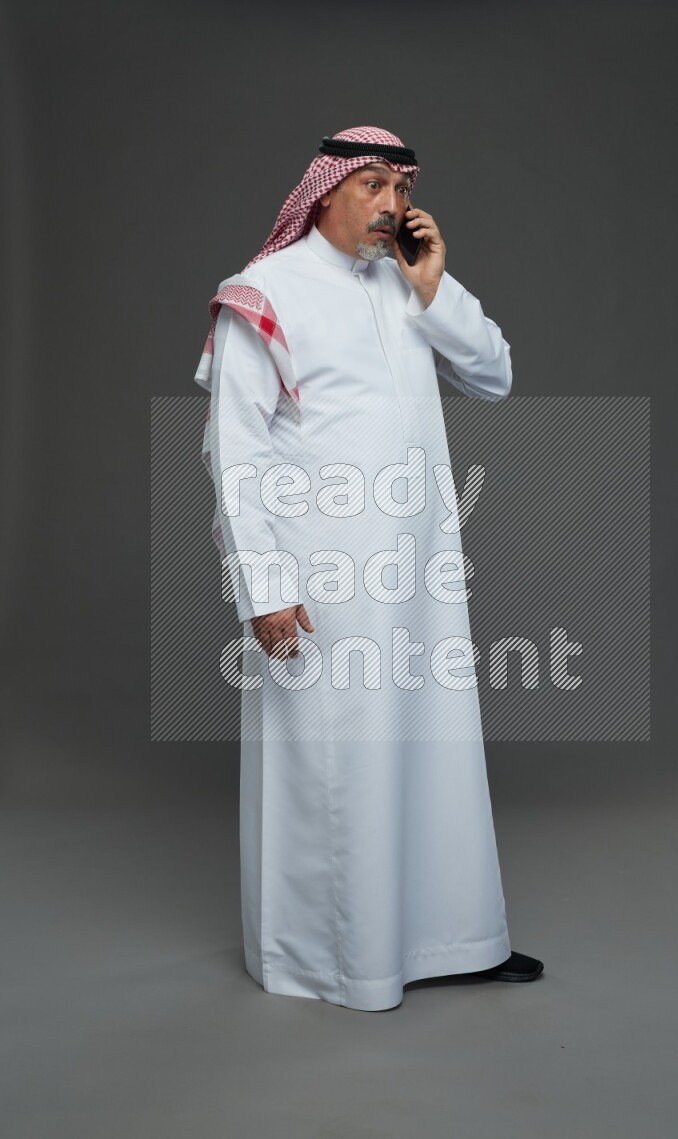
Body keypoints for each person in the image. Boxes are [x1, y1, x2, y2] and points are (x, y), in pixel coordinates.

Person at [194, 125, 544, 1011]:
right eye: (374, 185)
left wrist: (434, 287)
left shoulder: (405, 281)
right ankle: (342, 962)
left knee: (434, 752)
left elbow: (495, 376)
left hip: (419, 576)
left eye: (403, 188)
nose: (392, 204)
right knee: (340, 762)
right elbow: (236, 453)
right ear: (325, 191)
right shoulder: (266, 291)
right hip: (325, 583)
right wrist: (264, 590)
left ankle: (457, 939)